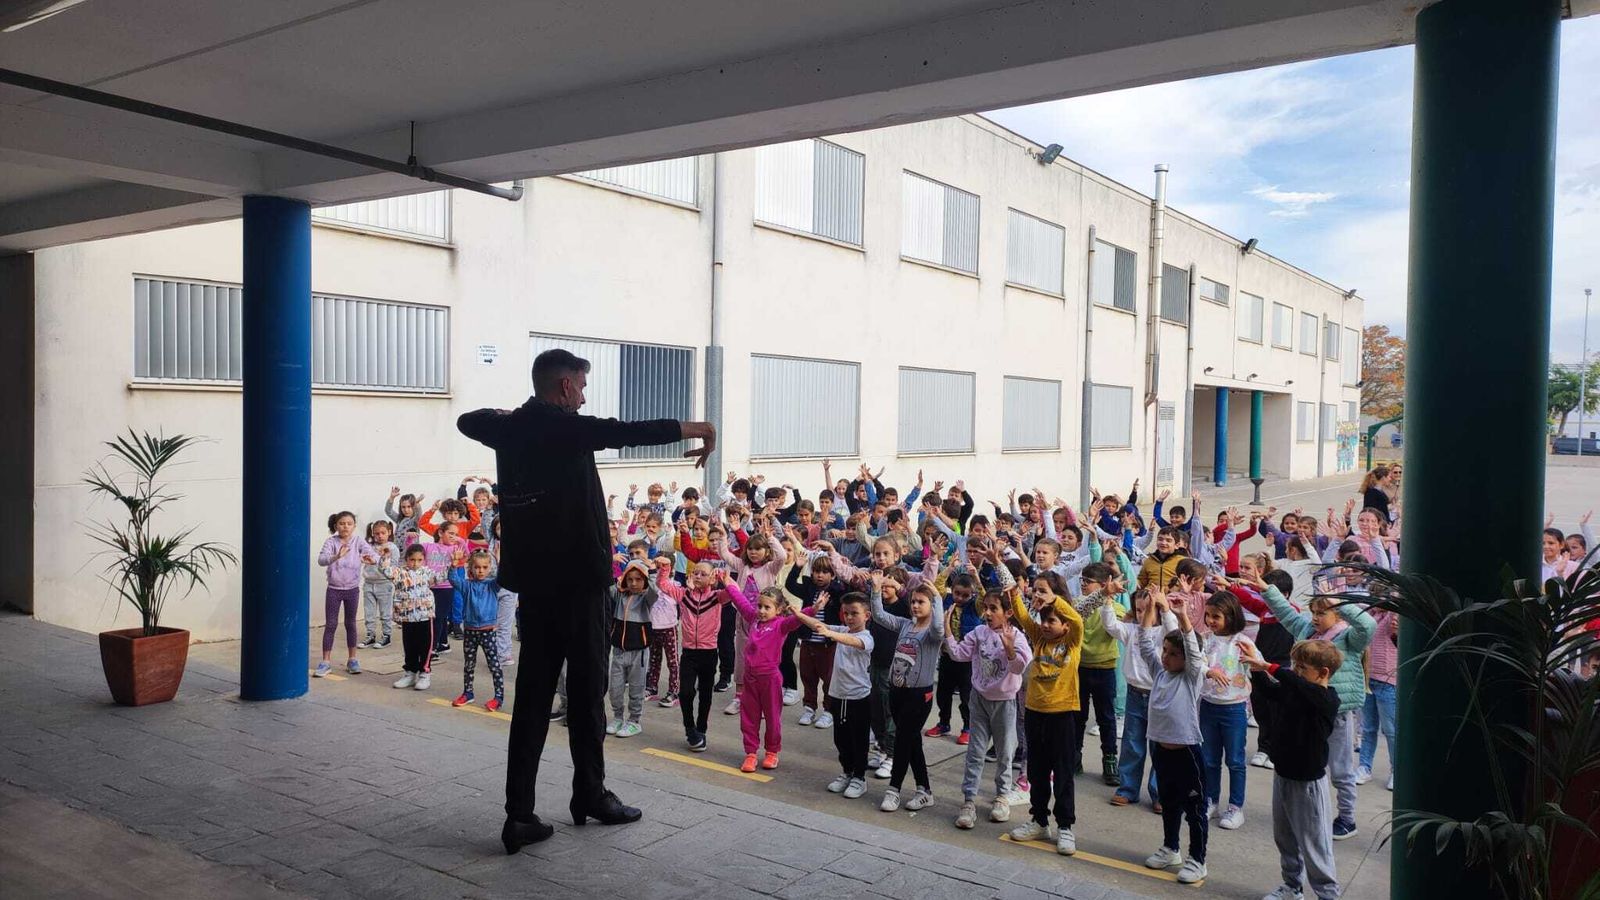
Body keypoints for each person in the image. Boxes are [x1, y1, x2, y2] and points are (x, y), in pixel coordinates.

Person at [458, 347, 715, 854]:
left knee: (531, 699)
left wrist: (516, 416)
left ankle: (519, 815)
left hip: (535, 588)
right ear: (564, 388)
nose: (584, 396)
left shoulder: (510, 428)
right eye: (581, 385)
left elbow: (470, 419)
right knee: (587, 695)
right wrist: (700, 428)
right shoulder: (565, 428)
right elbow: (629, 430)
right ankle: (590, 795)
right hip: (578, 587)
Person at [1253, 568, 1375, 841]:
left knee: (1341, 770)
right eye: (1315, 612)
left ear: (1337, 615)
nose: (1316, 618)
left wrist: (1342, 602)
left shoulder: (1349, 638)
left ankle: (1347, 818)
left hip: (1338, 714)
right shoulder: (1308, 630)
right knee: (1308, 765)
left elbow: (1368, 626)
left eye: (1322, 613)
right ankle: (1310, 812)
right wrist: (1266, 588)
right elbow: (1286, 613)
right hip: (1306, 711)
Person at [1240, 639, 1344, 900]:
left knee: (1315, 845)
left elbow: (1296, 685)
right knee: (1284, 838)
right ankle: (1292, 886)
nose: (1296, 671)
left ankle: (1328, 894)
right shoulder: (1294, 690)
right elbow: (1268, 690)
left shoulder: (1326, 699)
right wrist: (1256, 667)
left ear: (1323, 674)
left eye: (1302, 668)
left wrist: (1271, 666)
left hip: (1308, 784)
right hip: (1283, 775)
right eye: (1294, 666)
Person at [1003, 566, 1084, 856]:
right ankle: (1039, 819)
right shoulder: (1038, 637)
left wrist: (1053, 603)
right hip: (1035, 711)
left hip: (1062, 713)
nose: (1047, 625)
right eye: (1045, 621)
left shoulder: (1071, 639)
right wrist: (1014, 591)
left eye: (1053, 621)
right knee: (1037, 771)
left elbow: (1074, 618)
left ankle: (1065, 826)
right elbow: (1023, 615)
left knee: (1062, 772)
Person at [944, 589, 1032, 829]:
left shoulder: (1017, 636)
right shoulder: (979, 633)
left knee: (1005, 752)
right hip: (979, 699)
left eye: (994, 609)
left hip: (1004, 703)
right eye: (986, 608)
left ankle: (1002, 796)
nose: (988, 613)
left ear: (1009, 613)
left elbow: (1020, 668)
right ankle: (969, 801)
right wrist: (948, 630)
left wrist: (1010, 649)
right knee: (975, 751)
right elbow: (959, 654)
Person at [1138, 590, 1209, 886]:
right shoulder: (1161, 673)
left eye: (1172, 654)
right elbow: (1144, 644)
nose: (1165, 657)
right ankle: (1171, 848)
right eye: (1165, 651)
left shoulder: (1192, 678)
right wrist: (1152, 610)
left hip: (1187, 752)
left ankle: (1197, 859)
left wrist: (1181, 617)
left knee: (1195, 809)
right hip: (1161, 749)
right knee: (1168, 803)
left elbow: (1192, 652)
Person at [868, 574, 945, 812]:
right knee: (912, 741)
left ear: (930, 605)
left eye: (921, 602)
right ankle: (924, 791)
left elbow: (940, 628)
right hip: (897, 690)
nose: (915, 605)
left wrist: (939, 599)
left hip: (918, 695)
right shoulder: (905, 625)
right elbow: (879, 616)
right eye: (913, 601)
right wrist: (876, 590)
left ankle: (894, 790)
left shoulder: (932, 634)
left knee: (903, 740)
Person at [792, 592, 876, 799]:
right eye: (846, 613)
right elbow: (818, 625)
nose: (849, 617)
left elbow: (850, 641)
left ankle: (859, 778)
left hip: (858, 697)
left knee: (858, 740)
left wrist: (831, 634)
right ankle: (846, 772)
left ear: (867, 615)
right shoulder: (842, 630)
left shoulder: (866, 637)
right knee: (841, 738)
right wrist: (797, 614)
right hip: (837, 695)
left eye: (854, 613)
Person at [1104, 587, 1177, 809]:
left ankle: (1160, 793)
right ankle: (1127, 788)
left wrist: (1164, 608)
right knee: (1132, 744)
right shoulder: (1132, 631)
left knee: (1160, 747)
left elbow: (1175, 630)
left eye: (1148, 610)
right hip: (1135, 694)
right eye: (1138, 610)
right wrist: (1108, 599)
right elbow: (1110, 625)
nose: (1142, 614)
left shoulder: (1165, 632)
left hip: (1160, 696)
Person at [655, 562, 738, 752]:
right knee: (686, 692)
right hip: (689, 653)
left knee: (706, 694)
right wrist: (665, 568)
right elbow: (663, 584)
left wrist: (725, 579)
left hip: (709, 653)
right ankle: (689, 727)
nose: (698, 576)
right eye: (696, 573)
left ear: (711, 578)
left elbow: (734, 591)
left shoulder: (717, 597)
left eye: (704, 574)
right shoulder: (684, 595)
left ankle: (702, 730)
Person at [730, 584, 811, 772]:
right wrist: (728, 584)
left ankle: (772, 752)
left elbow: (797, 621)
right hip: (750, 679)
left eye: (767, 607)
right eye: (759, 606)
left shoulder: (781, 625)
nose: (761, 611)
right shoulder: (753, 620)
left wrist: (813, 609)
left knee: (773, 718)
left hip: (770, 680)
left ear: (779, 609)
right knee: (748, 718)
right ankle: (750, 753)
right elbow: (741, 602)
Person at [1199, 590, 1256, 830]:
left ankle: (1235, 807)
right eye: (1208, 615)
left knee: (1234, 760)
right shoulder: (1205, 639)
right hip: (1209, 706)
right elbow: (1197, 661)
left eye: (1217, 616)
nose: (1211, 621)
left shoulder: (1242, 642)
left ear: (1231, 617)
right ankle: (1210, 799)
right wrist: (1207, 671)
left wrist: (1254, 658)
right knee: (1209, 758)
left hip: (1234, 709)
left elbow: (1258, 662)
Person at [449, 550, 508, 712]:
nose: (480, 570)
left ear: (490, 568)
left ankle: (498, 697)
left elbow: (503, 579)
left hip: (487, 631)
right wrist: (454, 564)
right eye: (477, 567)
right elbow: (453, 580)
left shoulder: (492, 585)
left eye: (484, 567)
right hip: (470, 631)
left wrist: (499, 560)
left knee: (494, 665)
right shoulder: (467, 585)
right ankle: (468, 693)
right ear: (471, 568)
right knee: (469, 664)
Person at [316, 511, 371, 678]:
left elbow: (372, 554)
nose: (345, 526)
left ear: (354, 526)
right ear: (336, 526)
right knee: (331, 624)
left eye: (349, 523)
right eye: (342, 523)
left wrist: (374, 558)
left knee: (351, 624)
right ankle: (325, 662)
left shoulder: (358, 541)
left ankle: (352, 659)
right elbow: (321, 560)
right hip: (334, 589)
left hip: (352, 590)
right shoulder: (331, 542)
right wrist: (336, 556)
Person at [387, 545, 436, 691]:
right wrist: (384, 556)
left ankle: (424, 673)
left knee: (425, 646)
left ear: (424, 560)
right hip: (407, 617)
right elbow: (384, 570)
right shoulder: (400, 573)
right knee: (409, 646)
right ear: (406, 559)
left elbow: (441, 577)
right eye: (412, 560)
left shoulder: (427, 572)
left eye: (419, 560)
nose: (415, 563)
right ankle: (410, 673)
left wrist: (453, 564)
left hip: (424, 616)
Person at [359, 519, 398, 649]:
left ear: (389, 532)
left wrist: (382, 560)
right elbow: (362, 559)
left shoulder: (392, 547)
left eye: (383, 533)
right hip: (369, 583)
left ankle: (386, 635)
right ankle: (370, 635)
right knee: (369, 611)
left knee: (385, 612)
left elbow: (394, 567)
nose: (380, 536)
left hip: (384, 583)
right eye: (377, 533)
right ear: (372, 534)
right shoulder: (368, 547)